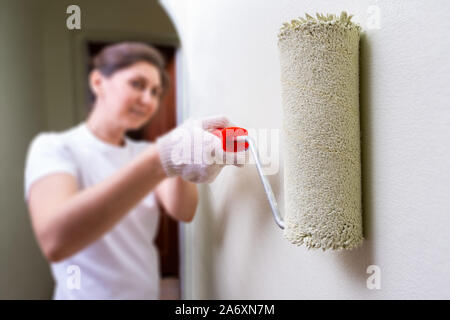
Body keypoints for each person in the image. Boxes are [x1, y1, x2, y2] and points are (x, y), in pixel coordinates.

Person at [24, 42, 243, 299]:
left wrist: (184, 156)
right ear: (98, 82)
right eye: (137, 84)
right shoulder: (55, 148)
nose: (148, 100)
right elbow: (55, 241)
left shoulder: (141, 152)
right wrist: (161, 158)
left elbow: (183, 210)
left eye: (155, 92)